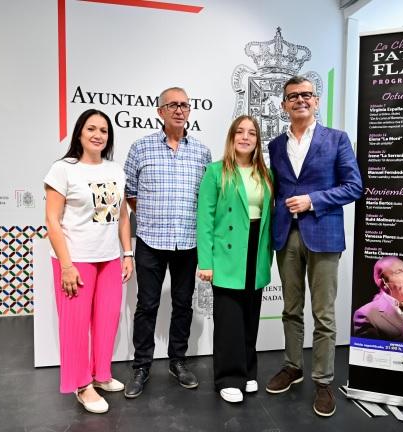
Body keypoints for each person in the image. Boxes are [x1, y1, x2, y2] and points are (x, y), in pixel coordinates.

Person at [265, 76, 362, 417]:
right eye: (293, 96)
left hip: (324, 234)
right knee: (291, 309)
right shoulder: (275, 145)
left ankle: (323, 381)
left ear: (316, 101)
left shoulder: (337, 139)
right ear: (284, 105)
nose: (300, 100)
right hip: (286, 235)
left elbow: (354, 186)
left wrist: (313, 200)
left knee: (324, 314)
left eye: (306, 94)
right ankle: (293, 366)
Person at [123, 86, 212, 398]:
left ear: (189, 111)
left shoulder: (202, 152)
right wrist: (151, 217)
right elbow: (130, 193)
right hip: (151, 240)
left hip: (188, 242)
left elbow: (207, 199)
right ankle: (141, 366)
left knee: (183, 305)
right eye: (172, 105)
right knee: (147, 305)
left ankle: (178, 361)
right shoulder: (140, 148)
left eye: (184, 105)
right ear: (160, 111)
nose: (179, 110)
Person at [44, 109, 134, 414]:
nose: (98, 135)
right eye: (91, 128)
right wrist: (66, 266)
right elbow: (52, 221)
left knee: (107, 320)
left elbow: (122, 216)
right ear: (80, 133)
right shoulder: (63, 169)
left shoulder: (115, 170)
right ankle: (82, 385)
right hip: (76, 260)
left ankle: (100, 374)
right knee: (75, 325)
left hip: (109, 258)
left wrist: (127, 253)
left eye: (104, 130)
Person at [197, 115, 273, 404]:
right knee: (229, 317)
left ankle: (248, 371)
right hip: (227, 251)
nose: (245, 137)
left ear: (257, 140)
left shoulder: (266, 174)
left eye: (251, 133)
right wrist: (206, 262)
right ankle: (228, 378)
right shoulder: (215, 172)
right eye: (240, 132)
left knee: (250, 316)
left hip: (256, 248)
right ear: (231, 137)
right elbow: (205, 220)